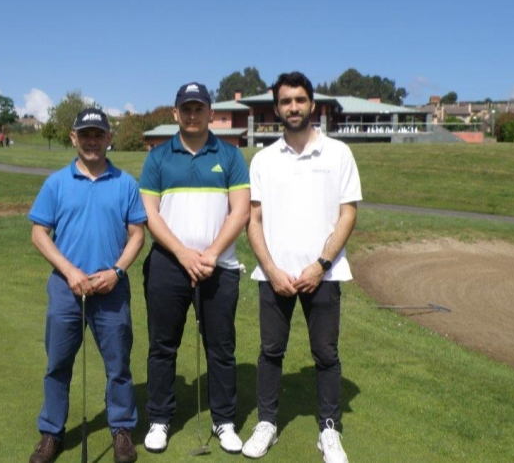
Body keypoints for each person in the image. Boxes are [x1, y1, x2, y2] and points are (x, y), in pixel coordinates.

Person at [242, 72, 362, 463]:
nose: (293, 107)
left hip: (323, 275)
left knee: (326, 354)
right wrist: (272, 269)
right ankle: (267, 423)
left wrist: (322, 264)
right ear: (276, 108)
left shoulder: (338, 153)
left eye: (299, 99)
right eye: (285, 101)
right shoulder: (263, 159)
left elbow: (348, 214)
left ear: (312, 104)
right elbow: (253, 221)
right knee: (270, 352)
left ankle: (329, 429)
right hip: (274, 275)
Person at [27, 107, 146, 463]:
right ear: (73, 138)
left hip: (111, 288)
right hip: (67, 289)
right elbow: (38, 233)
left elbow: (138, 235)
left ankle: (122, 429)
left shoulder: (125, 183)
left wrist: (118, 271)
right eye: (86, 134)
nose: (92, 140)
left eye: (99, 134)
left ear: (109, 138)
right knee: (58, 363)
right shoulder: (57, 183)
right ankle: (51, 433)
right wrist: (69, 271)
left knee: (118, 366)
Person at [139, 82, 250, 454]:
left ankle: (224, 421)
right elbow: (150, 215)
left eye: (198, 108)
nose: (191, 115)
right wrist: (184, 254)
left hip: (219, 266)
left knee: (220, 348)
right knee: (162, 346)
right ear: (175, 113)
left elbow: (241, 211)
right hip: (168, 265)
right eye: (185, 109)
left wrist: (212, 252)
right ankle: (159, 418)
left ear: (210, 113)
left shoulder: (230, 156)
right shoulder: (157, 157)